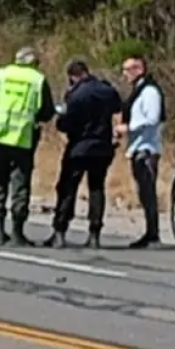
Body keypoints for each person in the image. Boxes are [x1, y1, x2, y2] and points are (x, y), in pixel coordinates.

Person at [0, 46, 56, 245]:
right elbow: (46, 111)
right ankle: (17, 233)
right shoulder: (37, 79)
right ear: (33, 62)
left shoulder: (1, 75)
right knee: (20, 185)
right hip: (22, 137)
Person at [45, 59, 122, 249]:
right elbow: (119, 109)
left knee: (67, 188)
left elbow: (65, 124)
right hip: (102, 147)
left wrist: (61, 122)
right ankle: (94, 233)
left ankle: (60, 231)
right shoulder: (107, 90)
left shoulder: (76, 95)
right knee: (96, 189)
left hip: (79, 147)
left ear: (73, 76)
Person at [115, 54, 166, 248]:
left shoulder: (150, 92)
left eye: (128, 70)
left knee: (148, 192)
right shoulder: (137, 91)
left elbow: (153, 118)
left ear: (139, 70)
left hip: (147, 149)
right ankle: (149, 233)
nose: (124, 74)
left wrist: (129, 127)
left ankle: (153, 234)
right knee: (143, 193)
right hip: (137, 148)